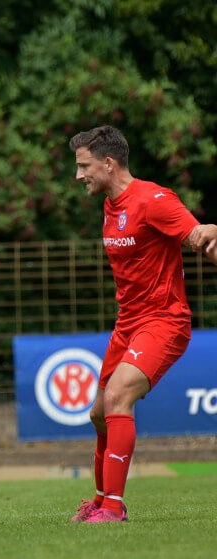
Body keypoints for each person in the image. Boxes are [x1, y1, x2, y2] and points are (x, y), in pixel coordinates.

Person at [67, 125, 216, 523]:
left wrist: (209, 233)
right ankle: (99, 501)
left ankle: (114, 509)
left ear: (109, 163)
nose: (79, 175)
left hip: (164, 321)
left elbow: (197, 235)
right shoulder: (110, 204)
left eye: (84, 166)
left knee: (118, 399)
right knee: (98, 414)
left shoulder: (154, 200)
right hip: (128, 324)